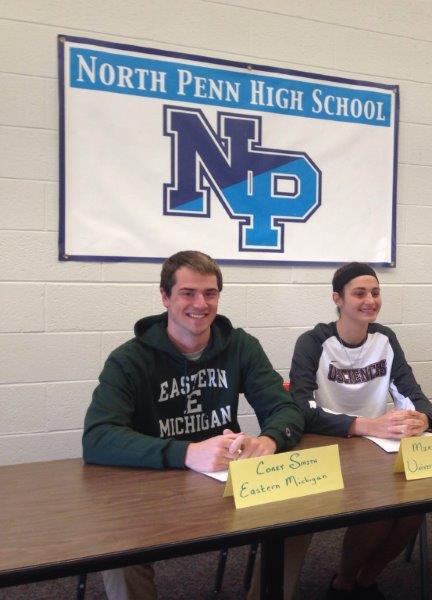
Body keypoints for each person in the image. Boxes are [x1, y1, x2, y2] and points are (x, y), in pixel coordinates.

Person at [83, 250, 304, 600]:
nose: (200, 304)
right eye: (188, 293)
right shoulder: (129, 358)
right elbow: (98, 438)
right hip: (153, 483)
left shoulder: (240, 346)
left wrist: (269, 440)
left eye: (210, 293)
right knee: (120, 547)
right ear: (165, 296)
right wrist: (187, 452)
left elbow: (286, 409)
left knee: (299, 519)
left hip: (224, 480)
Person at [290, 262, 432, 599]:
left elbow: (411, 393)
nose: (369, 299)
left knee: (416, 506)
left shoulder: (385, 339)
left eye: (375, 292)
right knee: (379, 509)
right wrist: (364, 424)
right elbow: (302, 409)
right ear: (337, 299)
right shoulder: (313, 342)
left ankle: (368, 578)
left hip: (377, 447)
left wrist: (422, 418)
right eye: (359, 293)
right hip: (329, 445)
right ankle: (343, 582)